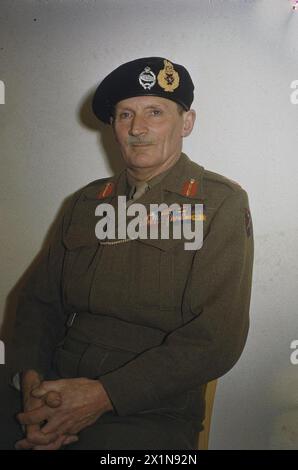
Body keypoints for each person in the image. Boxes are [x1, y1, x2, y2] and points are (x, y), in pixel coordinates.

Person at [0, 57, 254, 450]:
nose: (138, 128)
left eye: (155, 112)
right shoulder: (85, 201)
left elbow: (216, 339)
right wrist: (31, 381)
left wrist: (103, 396)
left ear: (186, 123)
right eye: (125, 115)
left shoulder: (219, 203)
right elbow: (38, 303)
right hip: (55, 381)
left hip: (147, 406)